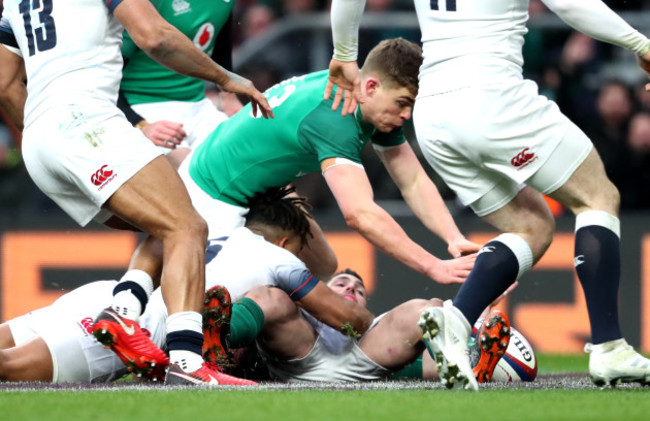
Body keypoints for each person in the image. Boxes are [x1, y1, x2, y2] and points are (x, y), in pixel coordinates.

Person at [325, 0, 650, 390]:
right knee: (597, 196)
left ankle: (457, 323)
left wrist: (344, 53)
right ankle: (610, 347)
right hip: (492, 97)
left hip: (433, 117)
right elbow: (568, 4)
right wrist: (641, 45)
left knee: (532, 226)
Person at [0, 0, 272, 387]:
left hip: (40, 139)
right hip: (85, 120)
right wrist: (227, 78)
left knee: (167, 225)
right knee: (188, 227)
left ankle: (123, 309)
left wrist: (51, 138)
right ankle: (186, 361)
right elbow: (155, 38)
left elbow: (5, 82)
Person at [182, 38, 479, 285]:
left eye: (411, 106)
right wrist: (431, 266)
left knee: (322, 263)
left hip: (262, 187)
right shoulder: (335, 117)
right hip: (214, 193)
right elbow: (360, 215)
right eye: (402, 103)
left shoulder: (369, 104)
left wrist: (453, 238)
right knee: (215, 298)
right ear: (372, 87)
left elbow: (412, 180)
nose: (406, 116)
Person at [0, 187, 372, 384]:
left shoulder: (214, 225)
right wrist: (371, 323)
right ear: (286, 243)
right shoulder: (277, 258)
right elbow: (346, 318)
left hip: (106, 297)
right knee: (8, 368)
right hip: (135, 332)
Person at [225, 269, 513, 383]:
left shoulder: (374, 325)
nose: (351, 288)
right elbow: (265, 310)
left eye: (359, 290)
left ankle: (470, 363)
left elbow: (419, 363)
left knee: (428, 308)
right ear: (321, 290)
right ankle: (215, 337)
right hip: (298, 357)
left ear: (364, 305)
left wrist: (475, 311)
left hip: (360, 364)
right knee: (269, 296)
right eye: (341, 283)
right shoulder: (297, 308)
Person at [117, 0, 242, 168]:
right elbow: (105, 74)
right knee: (196, 176)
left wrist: (229, 98)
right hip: (144, 107)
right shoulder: (147, 4)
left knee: (254, 162)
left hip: (199, 105)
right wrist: (139, 123)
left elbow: (218, 30)